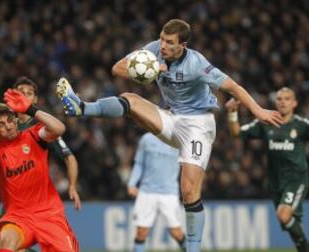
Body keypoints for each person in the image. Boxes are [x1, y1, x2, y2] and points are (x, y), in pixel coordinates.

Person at [55, 19, 283, 251]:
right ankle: (81, 108)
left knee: (188, 190)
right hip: (172, 118)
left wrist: (258, 110)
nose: (163, 45)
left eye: (169, 42)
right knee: (131, 99)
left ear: (182, 45)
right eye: (162, 39)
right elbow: (117, 68)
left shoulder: (196, 63)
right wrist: (150, 68)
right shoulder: (154, 50)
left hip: (198, 125)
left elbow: (232, 86)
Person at [0, 89, 79, 252]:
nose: (8, 126)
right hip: (18, 216)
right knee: (6, 240)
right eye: (1, 124)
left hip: (49, 214)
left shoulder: (34, 135)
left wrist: (31, 109)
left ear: (16, 120)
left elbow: (59, 129)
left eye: (10, 120)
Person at [0, 77, 81, 213]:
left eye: (29, 93)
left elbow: (69, 157)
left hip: (37, 199)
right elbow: (2, 166)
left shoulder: (42, 128)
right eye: (20, 92)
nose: (24, 95)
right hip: (14, 201)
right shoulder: (6, 127)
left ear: (35, 99)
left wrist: (72, 186)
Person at [225, 87, 309, 252]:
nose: (282, 102)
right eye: (279, 99)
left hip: (296, 179)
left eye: (287, 99)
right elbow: (236, 133)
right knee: (290, 223)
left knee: (283, 215)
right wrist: (232, 112)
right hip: (275, 181)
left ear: (294, 103)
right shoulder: (265, 123)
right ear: (275, 102)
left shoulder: (302, 125)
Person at [128, 133, 185, 252]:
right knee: (141, 232)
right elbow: (139, 163)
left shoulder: (178, 139)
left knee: (177, 233)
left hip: (169, 193)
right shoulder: (147, 139)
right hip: (147, 192)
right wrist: (132, 183)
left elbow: (187, 165)